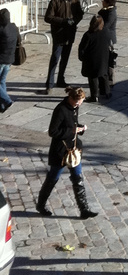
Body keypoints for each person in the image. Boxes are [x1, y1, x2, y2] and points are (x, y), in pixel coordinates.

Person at [36, 86, 99, 220]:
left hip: (73, 149)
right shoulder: (60, 110)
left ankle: (84, 209)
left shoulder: (75, 107)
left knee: (78, 178)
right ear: (70, 98)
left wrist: (80, 129)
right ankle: (41, 205)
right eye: (77, 102)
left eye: (81, 101)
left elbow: (72, 124)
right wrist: (73, 131)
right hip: (60, 151)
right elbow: (53, 132)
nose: (79, 104)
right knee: (53, 178)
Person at [43, 0, 85, 94]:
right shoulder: (56, 0)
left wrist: (74, 22)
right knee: (55, 58)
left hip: (70, 33)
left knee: (65, 58)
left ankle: (60, 79)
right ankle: (49, 84)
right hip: (59, 34)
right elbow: (48, 17)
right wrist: (63, 21)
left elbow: (80, 14)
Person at [78, 15, 111, 102]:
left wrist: (82, 57)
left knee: (93, 77)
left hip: (91, 60)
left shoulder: (88, 35)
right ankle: (106, 92)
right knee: (104, 74)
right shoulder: (106, 31)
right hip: (103, 57)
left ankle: (94, 95)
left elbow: (82, 48)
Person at [0, 8, 20, 114]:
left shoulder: (1, 29)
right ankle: (1, 105)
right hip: (9, 59)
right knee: (2, 81)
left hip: (1, 60)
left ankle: (7, 101)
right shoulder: (13, 26)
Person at [99, 0, 118, 92]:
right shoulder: (106, 10)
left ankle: (110, 80)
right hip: (105, 38)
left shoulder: (111, 13)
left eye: (103, 0)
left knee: (109, 60)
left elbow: (105, 26)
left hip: (108, 39)